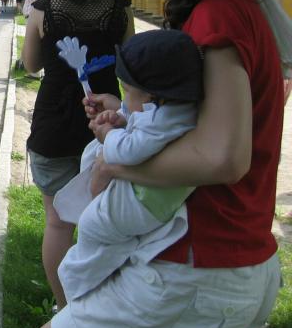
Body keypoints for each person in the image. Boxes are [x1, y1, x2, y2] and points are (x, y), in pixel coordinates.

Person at [6, 0, 284, 328]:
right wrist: (134, 118)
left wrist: (116, 161)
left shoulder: (215, 15)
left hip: (192, 269)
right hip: (225, 264)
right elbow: (203, 127)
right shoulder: (232, 1)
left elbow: (223, 157)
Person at [18, 0, 134, 312]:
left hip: (54, 123)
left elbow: (30, 65)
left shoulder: (43, 11)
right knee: (108, 221)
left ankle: (66, 308)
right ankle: (105, 304)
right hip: (106, 125)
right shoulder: (120, 11)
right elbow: (132, 73)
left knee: (58, 222)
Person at [53, 29, 202, 303]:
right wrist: (123, 117)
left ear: (152, 97)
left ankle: (77, 294)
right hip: (146, 200)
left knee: (93, 229)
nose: (124, 98)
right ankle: (90, 282)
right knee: (103, 236)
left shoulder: (163, 120)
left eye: (127, 91)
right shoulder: (172, 111)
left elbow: (130, 150)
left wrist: (108, 134)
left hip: (142, 204)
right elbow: (142, 129)